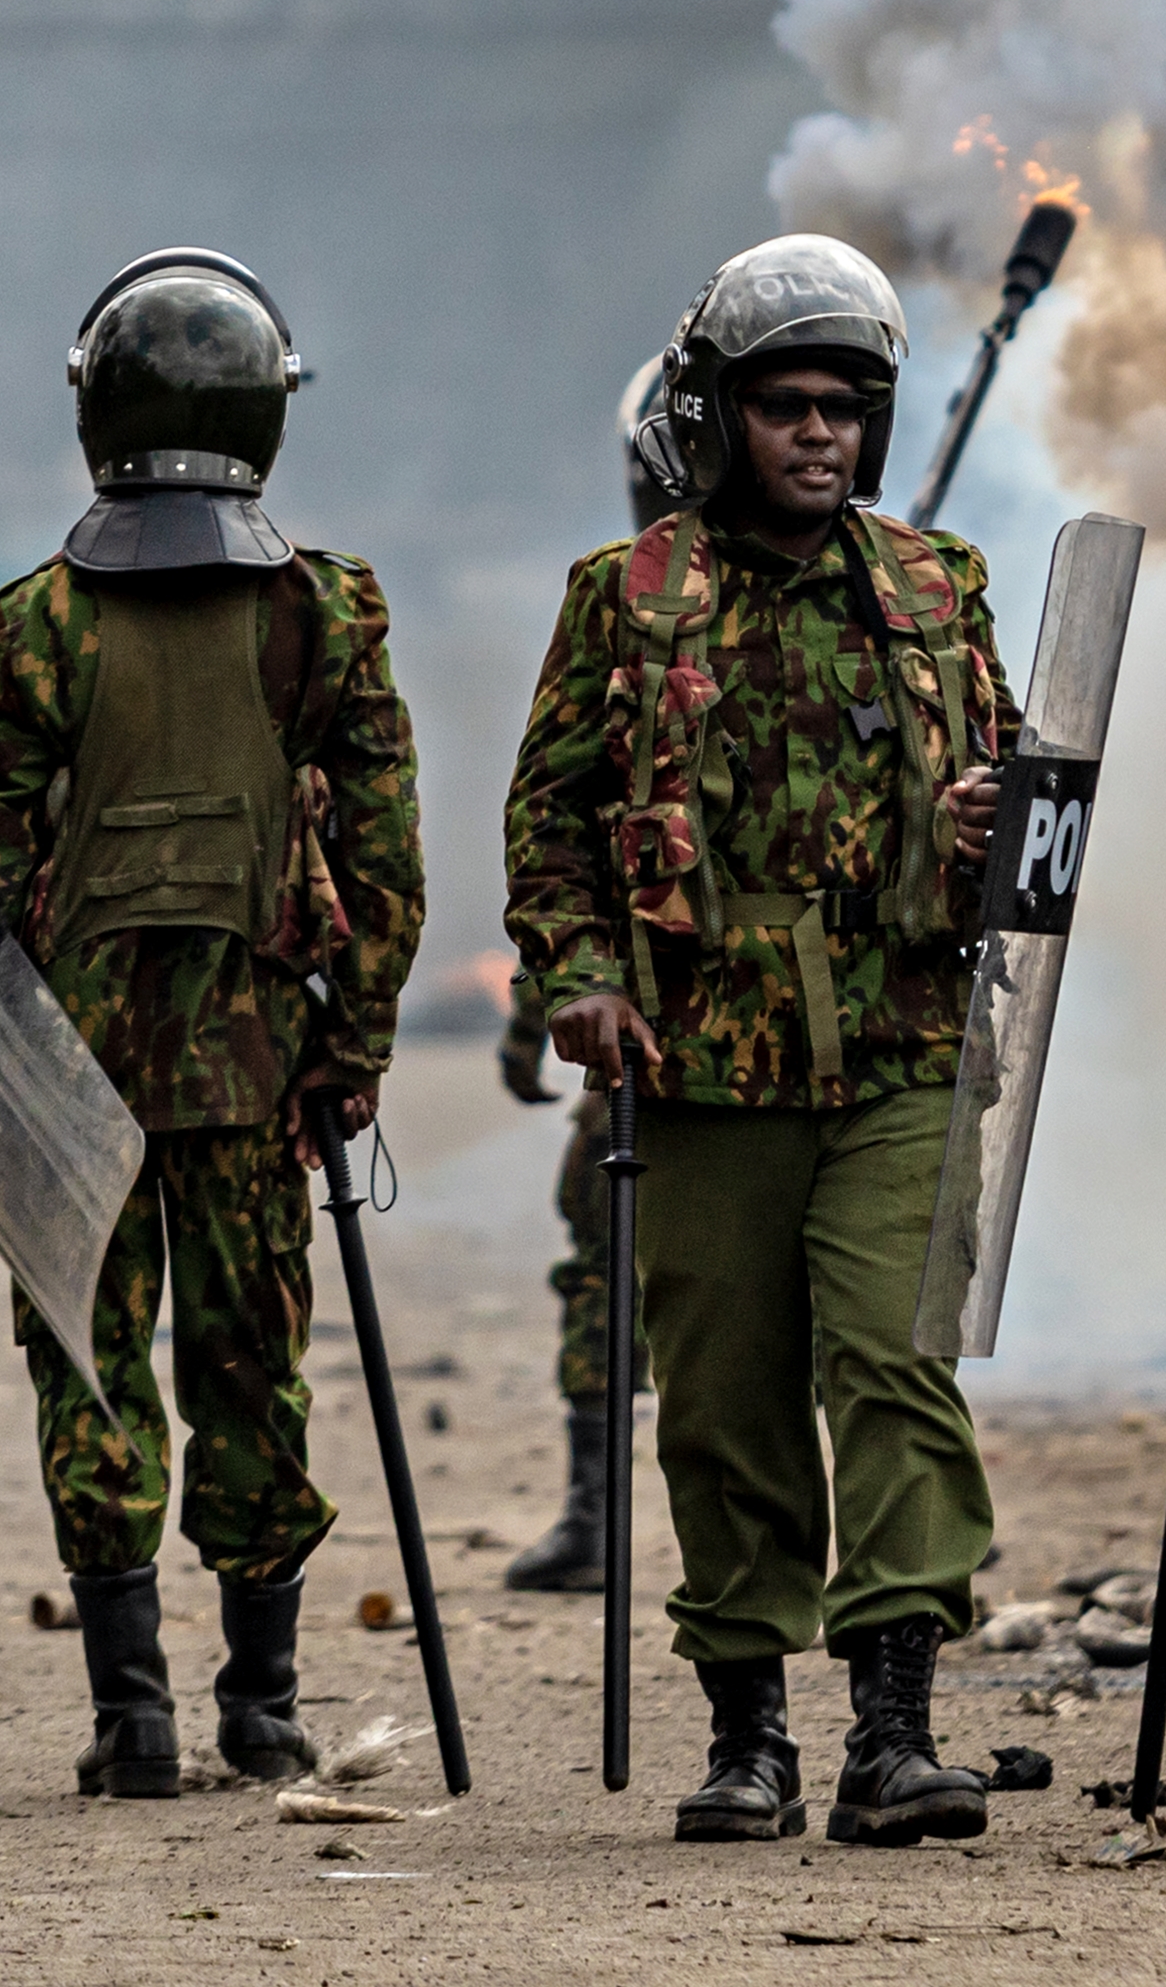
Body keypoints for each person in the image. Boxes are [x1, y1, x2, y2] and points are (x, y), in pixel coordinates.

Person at [504, 242, 1017, 1851]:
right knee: (724, 1400)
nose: (819, 435)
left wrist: (998, 828)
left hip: (902, 1047)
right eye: (785, 406)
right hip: (705, 1060)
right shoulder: (628, 597)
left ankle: (894, 1729)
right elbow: (553, 820)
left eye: (847, 408)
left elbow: (1023, 806)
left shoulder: (942, 591)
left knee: (893, 1359)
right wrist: (580, 974)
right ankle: (748, 1735)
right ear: (716, 417)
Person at [0, 253, 426, 1800]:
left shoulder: (35, 623)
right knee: (252, 1379)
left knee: (91, 1380)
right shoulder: (324, 610)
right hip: (253, 1071)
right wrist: (348, 1053)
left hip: (63, 1089)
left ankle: (131, 1717)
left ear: (98, 409)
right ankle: (263, 1707)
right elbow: (384, 862)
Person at [499, 347, 695, 1602]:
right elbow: (566, 836)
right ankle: (594, 1506)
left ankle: (603, 1510)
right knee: (605, 1254)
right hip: (636, 1016)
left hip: (744, 1016)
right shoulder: (624, 622)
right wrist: (541, 1002)